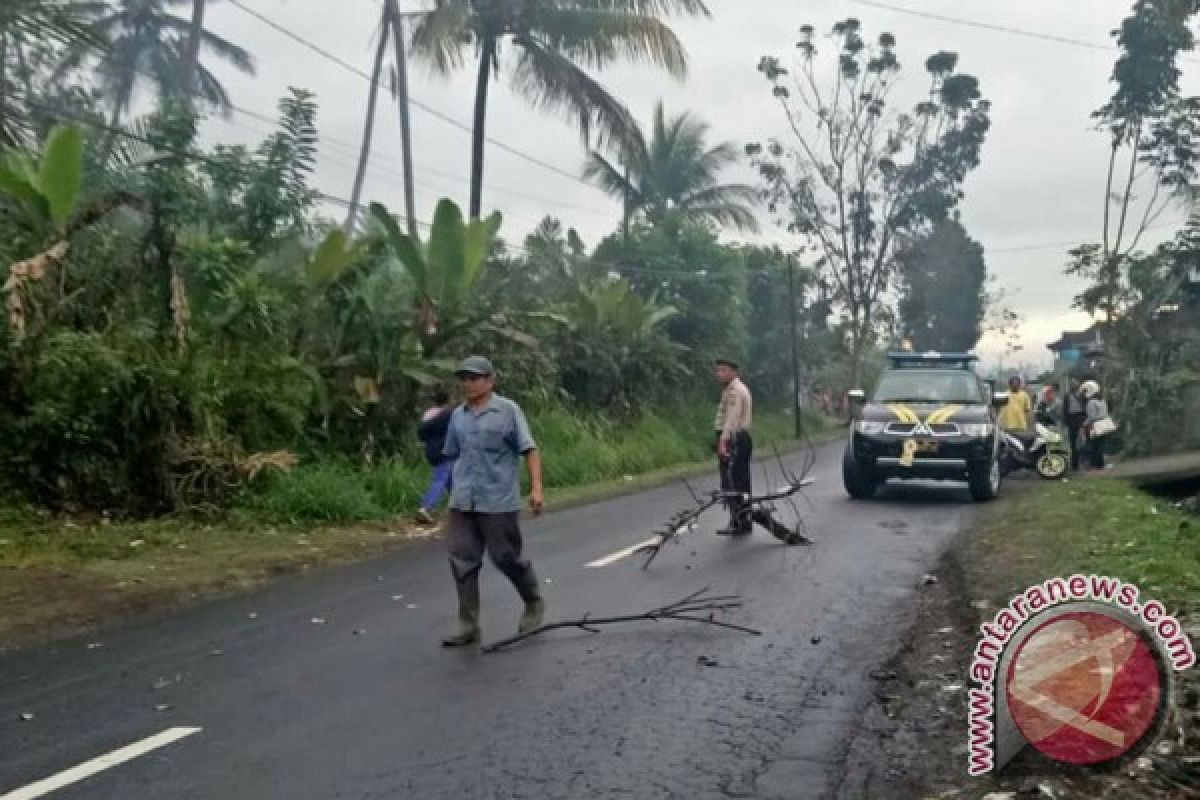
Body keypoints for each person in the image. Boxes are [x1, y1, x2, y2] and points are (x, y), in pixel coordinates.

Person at [440, 356, 545, 648]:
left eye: (474, 378)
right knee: (461, 560)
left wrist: (537, 489)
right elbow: (451, 454)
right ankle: (468, 625)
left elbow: (529, 449)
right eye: (463, 378)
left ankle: (533, 602)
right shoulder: (457, 416)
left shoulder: (508, 411)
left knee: (505, 557)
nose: (468, 384)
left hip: (498, 500)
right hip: (463, 501)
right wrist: (448, 493)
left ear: (490, 380)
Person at [713, 357, 808, 545]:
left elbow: (732, 419)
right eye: (718, 370)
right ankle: (741, 519)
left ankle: (741, 521)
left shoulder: (735, 392)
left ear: (734, 372)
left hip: (734, 438)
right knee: (738, 480)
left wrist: (723, 441)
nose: (719, 374)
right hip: (738, 437)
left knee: (733, 482)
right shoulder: (734, 389)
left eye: (723, 370)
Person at [415, 387, 455, 524]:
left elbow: (423, 434)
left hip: (431, 449)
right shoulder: (448, 414)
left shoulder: (429, 413)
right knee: (440, 478)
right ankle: (425, 507)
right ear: (448, 400)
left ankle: (458, 508)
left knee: (450, 478)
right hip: (444, 449)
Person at [1081, 380, 1112, 471]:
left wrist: (1085, 424)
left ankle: (1095, 465)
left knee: (1095, 446)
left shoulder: (1091, 402)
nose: (1084, 393)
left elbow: (1092, 417)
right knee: (1101, 445)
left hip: (1095, 425)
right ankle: (1100, 465)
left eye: (1085, 390)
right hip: (1104, 423)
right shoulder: (1102, 400)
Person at [1063, 377, 1087, 472]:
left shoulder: (1082, 395)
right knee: (1073, 444)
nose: (1074, 385)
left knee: (1082, 442)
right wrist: (1065, 421)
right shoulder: (1067, 395)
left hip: (1081, 419)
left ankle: (1084, 462)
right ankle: (1075, 464)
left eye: (1076, 383)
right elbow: (1065, 409)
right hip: (1071, 420)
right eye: (1072, 384)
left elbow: (1085, 405)